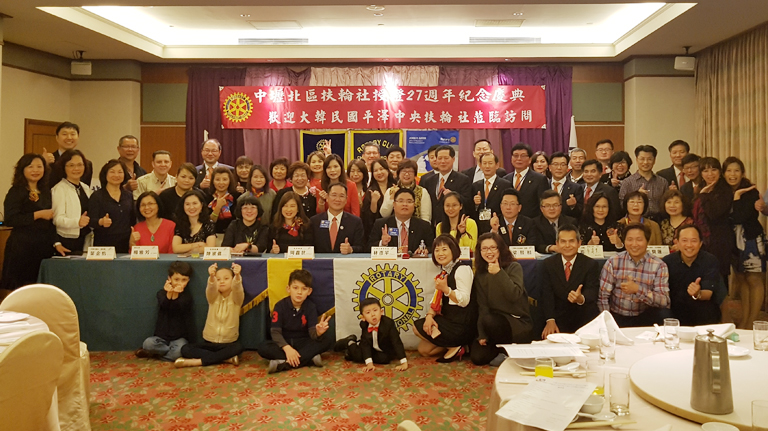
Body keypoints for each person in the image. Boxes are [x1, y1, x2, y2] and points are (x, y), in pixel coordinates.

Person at [470, 232, 532, 366]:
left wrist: (499, 273)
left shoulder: (514, 267)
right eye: (484, 249)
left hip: (515, 322)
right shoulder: (481, 274)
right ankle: (503, 350)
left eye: (493, 247)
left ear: (500, 249)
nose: (489, 252)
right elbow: (482, 306)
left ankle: (506, 351)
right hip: (493, 325)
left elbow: (514, 295)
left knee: (490, 320)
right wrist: (482, 334)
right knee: (477, 358)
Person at [413, 234, 475, 362]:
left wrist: (446, 289)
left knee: (416, 327)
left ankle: (455, 345)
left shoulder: (462, 269)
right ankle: (458, 346)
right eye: (437, 250)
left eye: (444, 249)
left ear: (454, 250)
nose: (440, 253)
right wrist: (429, 316)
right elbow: (436, 299)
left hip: (461, 323)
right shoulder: (444, 272)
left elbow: (464, 301)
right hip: (448, 319)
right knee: (424, 350)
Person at [258, 269, 334, 373]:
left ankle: (283, 364)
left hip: (303, 342)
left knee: (326, 341)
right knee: (262, 347)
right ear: (288, 289)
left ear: (309, 291)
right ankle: (309, 359)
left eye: (304, 289)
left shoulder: (310, 307)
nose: (299, 292)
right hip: (284, 342)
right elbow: (275, 332)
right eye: (295, 288)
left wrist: (318, 332)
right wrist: (287, 348)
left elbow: (312, 334)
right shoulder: (280, 306)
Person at [0, 154, 57, 291]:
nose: (35, 170)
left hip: (42, 246)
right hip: (22, 247)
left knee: (39, 286)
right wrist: (37, 215)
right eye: (30, 167)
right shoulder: (16, 191)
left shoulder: (45, 191)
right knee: (20, 288)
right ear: (22, 169)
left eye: (39, 166)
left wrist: (56, 242)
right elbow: (11, 219)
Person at [598, 223, 671, 327]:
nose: (634, 244)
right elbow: (603, 297)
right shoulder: (613, 261)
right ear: (624, 241)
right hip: (617, 316)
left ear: (647, 241)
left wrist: (638, 290)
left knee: (664, 314)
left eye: (639, 239)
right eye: (630, 239)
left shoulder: (659, 265)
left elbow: (664, 301)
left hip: (645, 316)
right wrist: (607, 322)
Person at [723, 157, 766, 329]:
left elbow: (740, 217)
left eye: (736, 170)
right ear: (724, 173)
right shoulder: (722, 191)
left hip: (751, 240)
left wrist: (736, 198)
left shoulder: (751, 192)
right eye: (729, 170)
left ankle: (753, 321)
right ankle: (744, 321)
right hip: (733, 242)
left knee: (754, 279)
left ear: (742, 173)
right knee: (741, 280)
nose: (732, 174)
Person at [175, 263, 244, 367]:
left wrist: (237, 276)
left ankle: (197, 362)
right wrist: (211, 277)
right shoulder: (213, 297)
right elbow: (211, 288)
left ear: (232, 280)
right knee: (186, 349)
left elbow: (238, 289)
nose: (222, 282)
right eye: (218, 279)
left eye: (226, 278)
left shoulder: (237, 299)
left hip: (228, 342)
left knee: (238, 348)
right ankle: (226, 359)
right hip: (209, 342)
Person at [540, 225, 601, 338]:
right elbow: (546, 294)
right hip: (557, 317)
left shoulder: (590, 264)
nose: (567, 245)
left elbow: (592, 290)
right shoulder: (548, 264)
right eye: (563, 241)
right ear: (557, 244)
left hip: (583, 316)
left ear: (579, 243)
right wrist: (550, 320)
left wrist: (581, 298)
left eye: (571, 241)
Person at [663, 225, 727, 326]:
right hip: (675, 311)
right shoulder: (667, 262)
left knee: (706, 311)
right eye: (684, 240)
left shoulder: (710, 260)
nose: (689, 245)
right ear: (677, 243)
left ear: (700, 243)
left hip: (703, 310)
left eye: (694, 241)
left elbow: (708, 294)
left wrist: (697, 293)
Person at [135, 261, 194, 361]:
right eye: (176, 279)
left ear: (188, 280)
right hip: (161, 337)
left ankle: (155, 355)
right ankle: (166, 353)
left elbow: (177, 308)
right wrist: (169, 293)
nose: (180, 283)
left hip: (179, 338)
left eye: (184, 280)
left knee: (178, 352)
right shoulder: (161, 294)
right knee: (148, 344)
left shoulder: (187, 297)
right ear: (169, 279)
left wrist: (175, 295)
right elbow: (164, 305)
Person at [692, 157, 734, 286]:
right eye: (705, 171)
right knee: (701, 279)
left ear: (720, 172)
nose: (710, 174)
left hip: (719, 241)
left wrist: (704, 195)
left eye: (714, 169)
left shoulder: (725, 190)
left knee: (718, 279)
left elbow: (714, 213)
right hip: (701, 241)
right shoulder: (700, 188)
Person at [334, 298, 408, 372]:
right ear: (363, 317)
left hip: (382, 349)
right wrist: (369, 364)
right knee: (358, 356)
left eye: (375, 310)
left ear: (381, 312)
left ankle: (356, 354)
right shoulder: (364, 325)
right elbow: (365, 345)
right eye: (368, 312)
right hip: (369, 346)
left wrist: (404, 362)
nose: (373, 314)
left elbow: (396, 342)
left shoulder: (388, 324)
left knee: (384, 359)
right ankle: (350, 342)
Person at [88, 159, 135, 253]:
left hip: (125, 243)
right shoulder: (97, 196)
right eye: (112, 172)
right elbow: (90, 221)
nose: (116, 175)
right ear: (105, 174)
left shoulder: (128, 195)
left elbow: (132, 219)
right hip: (104, 244)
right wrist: (101, 222)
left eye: (120, 172)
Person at [368, 188, 434, 253]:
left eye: (409, 201)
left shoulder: (424, 226)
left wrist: (425, 250)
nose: (405, 204)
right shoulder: (381, 224)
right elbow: (368, 248)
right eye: (401, 201)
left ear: (414, 205)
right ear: (394, 204)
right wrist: (382, 243)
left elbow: (432, 247)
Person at [51, 149, 92, 254]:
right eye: (71, 165)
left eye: (80, 165)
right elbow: (57, 219)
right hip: (67, 241)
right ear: (63, 167)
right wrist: (77, 222)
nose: (76, 169)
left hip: (85, 239)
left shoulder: (85, 187)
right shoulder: (59, 189)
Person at [420, 145, 472, 224]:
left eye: (446, 158)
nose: (443, 161)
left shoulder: (463, 179)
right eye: (440, 158)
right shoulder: (429, 181)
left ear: (453, 159)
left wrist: (454, 196)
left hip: (452, 224)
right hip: (432, 225)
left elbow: (468, 204)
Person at [310, 183, 364, 254]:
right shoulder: (315, 221)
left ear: (346, 200)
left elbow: (362, 247)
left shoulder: (355, 222)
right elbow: (308, 246)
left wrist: (351, 249)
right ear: (327, 198)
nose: (337, 199)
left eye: (341, 196)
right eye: (334, 195)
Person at [619, 145, 669, 218]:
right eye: (642, 159)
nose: (645, 162)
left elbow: (667, 203)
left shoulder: (663, 182)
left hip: (659, 220)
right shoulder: (627, 182)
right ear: (637, 159)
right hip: (637, 220)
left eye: (649, 159)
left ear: (654, 160)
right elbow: (622, 205)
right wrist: (636, 195)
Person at [502, 143, 549, 219]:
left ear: (530, 159)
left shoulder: (540, 179)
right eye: (516, 156)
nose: (519, 159)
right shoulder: (505, 179)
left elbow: (543, 205)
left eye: (523, 156)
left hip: (532, 223)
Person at [42, 122, 95, 187]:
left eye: (73, 134)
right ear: (57, 137)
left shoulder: (87, 164)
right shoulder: (47, 161)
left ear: (78, 137)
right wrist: (43, 163)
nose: (69, 137)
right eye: (64, 134)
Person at [471, 153, 512, 234]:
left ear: (497, 165)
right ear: (480, 166)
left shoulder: (505, 184)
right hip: (479, 227)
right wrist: (475, 204)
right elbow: (471, 210)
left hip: (498, 225)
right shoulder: (475, 185)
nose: (487, 166)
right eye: (484, 163)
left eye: (490, 163)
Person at [171, 190, 216, 254]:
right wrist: (196, 245)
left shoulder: (208, 224)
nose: (191, 207)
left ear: (202, 205)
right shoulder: (180, 224)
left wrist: (186, 249)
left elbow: (210, 248)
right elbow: (176, 248)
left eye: (195, 203)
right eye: (187, 204)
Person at [361, 158, 396, 239]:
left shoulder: (395, 187)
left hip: (394, 229)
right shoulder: (370, 191)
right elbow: (368, 218)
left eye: (381, 169)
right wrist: (374, 202)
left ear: (387, 170)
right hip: (376, 231)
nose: (379, 172)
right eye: (375, 171)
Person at [548, 152, 584, 219]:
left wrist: (573, 206)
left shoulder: (576, 188)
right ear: (550, 167)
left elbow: (580, 213)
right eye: (555, 164)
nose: (559, 168)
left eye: (563, 164)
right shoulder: (544, 185)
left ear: (567, 167)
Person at [207, 167, 239, 235]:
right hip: (212, 235)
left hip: (233, 235)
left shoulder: (237, 196)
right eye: (217, 179)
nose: (221, 183)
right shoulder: (207, 196)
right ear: (213, 181)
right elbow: (209, 222)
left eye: (225, 179)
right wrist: (218, 207)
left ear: (230, 181)